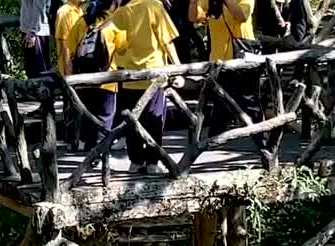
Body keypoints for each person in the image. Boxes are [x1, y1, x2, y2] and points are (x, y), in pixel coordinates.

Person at [107, 0, 181, 174]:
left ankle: (135, 161)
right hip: (154, 75)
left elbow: (118, 47)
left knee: (132, 121)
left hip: (128, 76)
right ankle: (152, 163)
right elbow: (167, 41)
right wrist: (178, 67)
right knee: (154, 120)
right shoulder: (154, 5)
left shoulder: (121, 12)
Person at [189, 0, 259, 132]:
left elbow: (242, 16)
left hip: (242, 57)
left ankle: (262, 139)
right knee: (219, 101)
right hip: (218, 59)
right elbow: (195, 18)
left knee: (249, 101)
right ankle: (214, 140)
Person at [64, 0, 126, 147]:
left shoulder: (82, 21)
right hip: (107, 79)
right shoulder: (114, 22)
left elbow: (69, 47)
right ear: (112, 4)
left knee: (88, 113)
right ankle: (101, 149)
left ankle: (86, 144)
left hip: (84, 77)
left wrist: (69, 72)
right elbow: (123, 48)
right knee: (105, 115)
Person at [20, 0, 53, 77]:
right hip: (30, 31)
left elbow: (39, 8)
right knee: (31, 71)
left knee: (41, 71)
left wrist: (33, 31)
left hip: (37, 33)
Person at [54, 0, 85, 76]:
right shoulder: (64, 12)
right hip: (70, 66)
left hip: (80, 63)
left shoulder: (80, 10)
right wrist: (68, 72)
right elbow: (65, 44)